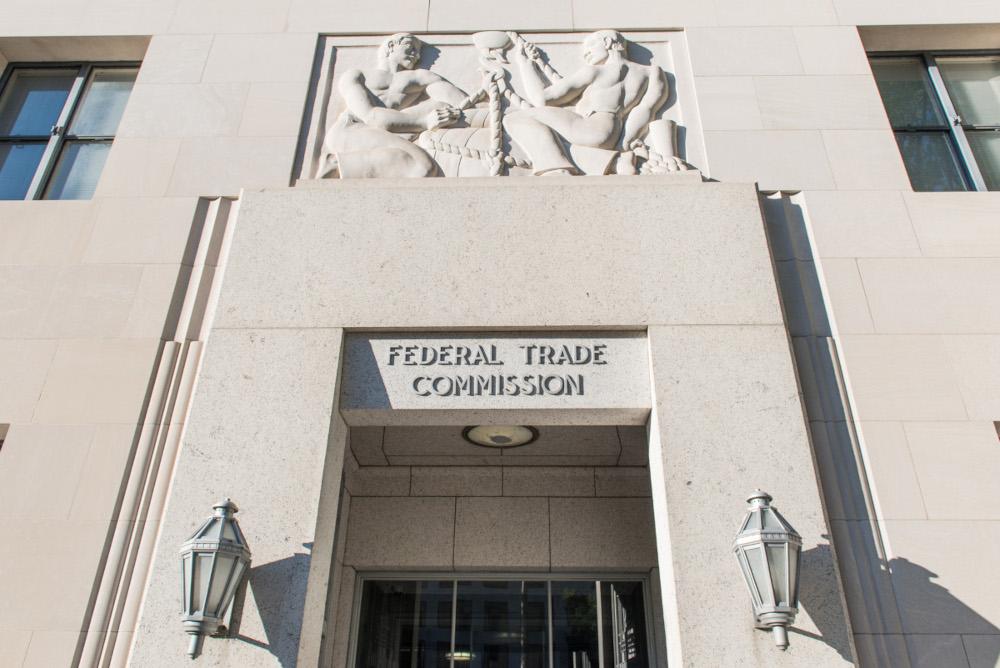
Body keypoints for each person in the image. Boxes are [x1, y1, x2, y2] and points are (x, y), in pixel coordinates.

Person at [504, 30, 669, 175]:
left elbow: (542, 98)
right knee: (556, 141)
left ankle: (556, 169)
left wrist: (525, 64)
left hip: (589, 126)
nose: (586, 53)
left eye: (590, 45)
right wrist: (623, 143)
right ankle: (616, 161)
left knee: (515, 119)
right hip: (612, 132)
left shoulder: (595, 71)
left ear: (607, 42)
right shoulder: (652, 72)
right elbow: (645, 110)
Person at [317, 33, 469, 178]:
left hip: (385, 131)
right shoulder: (355, 76)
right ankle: (335, 164)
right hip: (351, 130)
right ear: (391, 46)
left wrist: (488, 96)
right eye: (411, 47)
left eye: (419, 51)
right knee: (422, 166)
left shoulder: (419, 77)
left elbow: (461, 103)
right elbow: (371, 116)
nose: (416, 54)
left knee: (438, 105)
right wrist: (425, 122)